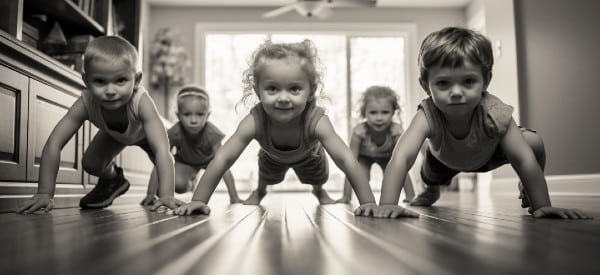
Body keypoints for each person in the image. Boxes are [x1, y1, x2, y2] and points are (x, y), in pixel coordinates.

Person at [376, 27, 591, 219]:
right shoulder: (427, 113)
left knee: (533, 142)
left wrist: (542, 205)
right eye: (443, 83)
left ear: (485, 80)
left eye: (468, 81)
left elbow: (522, 158)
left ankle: (529, 188)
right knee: (431, 176)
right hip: (443, 159)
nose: (457, 92)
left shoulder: (494, 112)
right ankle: (432, 191)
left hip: (489, 154)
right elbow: (402, 156)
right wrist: (387, 205)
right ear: (426, 85)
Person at [173, 39, 389, 217]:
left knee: (317, 177)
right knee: (266, 177)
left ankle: (319, 191)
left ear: (310, 90)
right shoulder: (256, 120)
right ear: (258, 90)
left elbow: (346, 159)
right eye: (272, 89)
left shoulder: (316, 120)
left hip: (310, 157)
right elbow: (223, 158)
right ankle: (259, 192)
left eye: (294, 89)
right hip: (271, 157)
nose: (283, 98)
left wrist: (368, 202)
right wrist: (199, 200)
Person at [17, 36, 182, 214]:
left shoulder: (141, 102)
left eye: (120, 81)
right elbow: (53, 144)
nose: (110, 91)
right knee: (90, 164)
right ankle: (113, 180)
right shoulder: (86, 103)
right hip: (115, 135)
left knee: (166, 176)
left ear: (137, 80)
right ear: (86, 80)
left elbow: (162, 151)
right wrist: (44, 193)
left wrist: (166, 195)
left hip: (147, 137)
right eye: (100, 82)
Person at [141, 85, 242, 206]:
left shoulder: (212, 134)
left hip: (208, 162)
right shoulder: (175, 132)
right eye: (187, 114)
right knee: (176, 186)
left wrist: (234, 196)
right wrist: (150, 194)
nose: (193, 120)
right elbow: (161, 160)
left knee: (219, 167)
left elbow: (224, 165)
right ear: (178, 116)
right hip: (185, 161)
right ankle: (191, 181)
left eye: (199, 114)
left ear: (207, 115)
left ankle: (194, 178)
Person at [336, 86, 415, 204]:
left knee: (397, 169)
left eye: (385, 112)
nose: (379, 118)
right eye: (373, 112)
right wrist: (345, 196)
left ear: (393, 112)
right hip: (364, 157)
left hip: (388, 157)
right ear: (364, 113)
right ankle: (349, 197)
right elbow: (350, 163)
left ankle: (411, 195)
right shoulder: (359, 132)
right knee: (361, 175)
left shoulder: (396, 132)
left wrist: (410, 195)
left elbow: (402, 161)